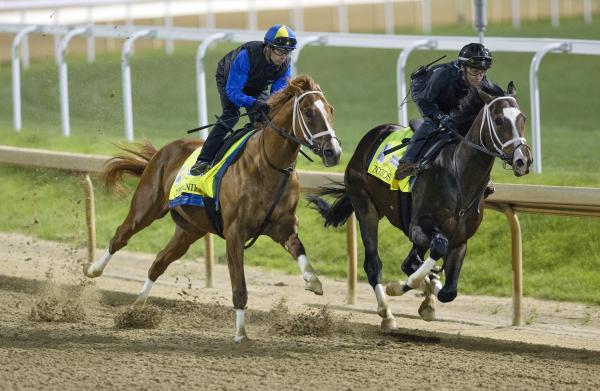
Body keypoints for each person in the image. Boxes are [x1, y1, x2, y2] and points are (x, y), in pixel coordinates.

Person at [190, 24, 297, 176]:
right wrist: (253, 103)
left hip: (255, 85)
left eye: (288, 52)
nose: (283, 56)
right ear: (268, 47)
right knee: (231, 116)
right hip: (229, 80)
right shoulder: (246, 56)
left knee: (266, 119)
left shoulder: (285, 65)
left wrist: (269, 109)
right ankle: (203, 160)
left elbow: (277, 96)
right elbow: (233, 91)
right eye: (280, 50)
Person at [394, 43, 496, 181]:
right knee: (432, 123)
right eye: (474, 71)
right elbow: (426, 101)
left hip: (450, 96)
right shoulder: (443, 74)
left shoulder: (482, 80)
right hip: (425, 93)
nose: (479, 76)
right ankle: (406, 162)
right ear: (463, 67)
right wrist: (439, 116)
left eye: (483, 71)